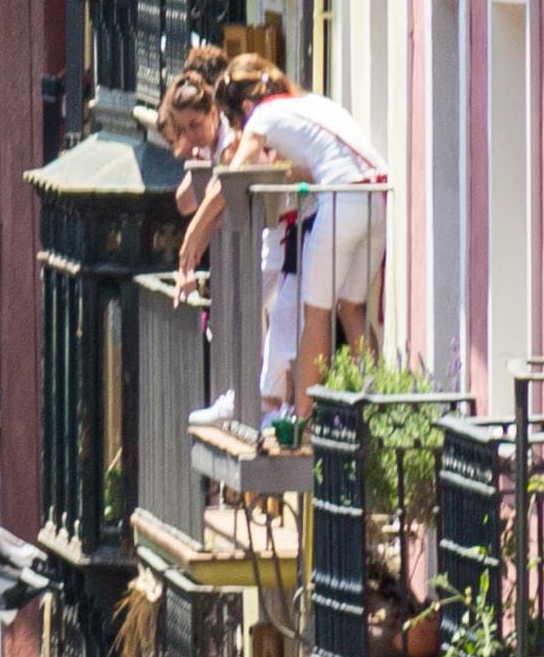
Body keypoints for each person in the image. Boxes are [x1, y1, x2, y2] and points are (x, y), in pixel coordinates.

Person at [165, 50, 391, 443]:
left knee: (315, 313)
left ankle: (298, 422)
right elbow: (308, 164)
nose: (241, 129)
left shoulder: (265, 116)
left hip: (339, 201)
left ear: (247, 107)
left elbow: (233, 175)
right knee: (353, 309)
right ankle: (379, 405)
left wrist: (193, 237)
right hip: (377, 197)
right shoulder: (310, 104)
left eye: (237, 121)